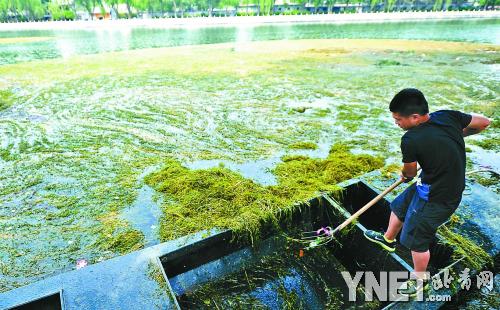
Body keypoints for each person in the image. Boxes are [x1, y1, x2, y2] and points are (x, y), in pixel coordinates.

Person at [364, 88, 490, 296]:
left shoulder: (411, 139)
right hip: (433, 182)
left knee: (417, 239)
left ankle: (419, 280)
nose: (396, 124)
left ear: (414, 117)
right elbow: (484, 122)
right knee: (399, 205)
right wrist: (456, 135)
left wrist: (405, 174)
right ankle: (388, 240)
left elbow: (410, 173)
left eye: (398, 120)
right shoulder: (447, 116)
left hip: (439, 196)